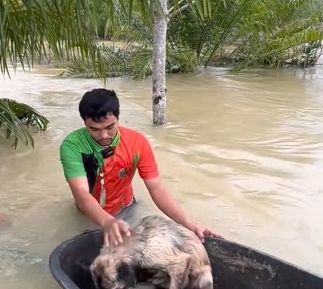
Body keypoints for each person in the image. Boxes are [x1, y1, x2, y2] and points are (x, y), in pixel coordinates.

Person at [59, 88, 222, 247]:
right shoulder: (72, 146)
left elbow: (157, 188)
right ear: (84, 122)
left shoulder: (137, 142)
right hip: (88, 214)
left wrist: (190, 225)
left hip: (126, 209)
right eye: (94, 129)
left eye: (110, 127)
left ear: (118, 117)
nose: (103, 136)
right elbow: (81, 193)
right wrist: (106, 221)